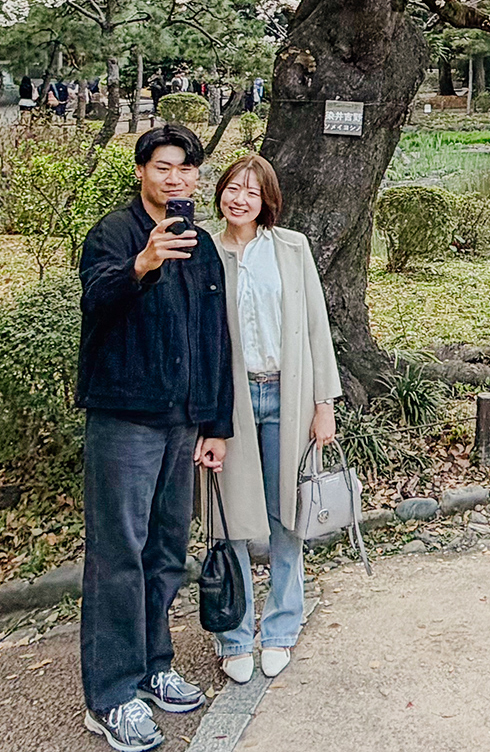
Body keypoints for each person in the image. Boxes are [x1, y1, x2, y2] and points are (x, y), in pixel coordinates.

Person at [76, 125, 234, 752]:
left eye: (187, 170)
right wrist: (141, 263)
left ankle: (152, 665)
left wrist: (216, 423)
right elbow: (96, 301)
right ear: (141, 170)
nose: (176, 180)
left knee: (166, 551)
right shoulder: (113, 234)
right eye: (164, 167)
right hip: (124, 417)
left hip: (184, 421)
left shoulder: (201, 246)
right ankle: (110, 695)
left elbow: (214, 338)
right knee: (118, 554)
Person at [207, 152, 341, 687]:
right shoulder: (203, 252)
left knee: (287, 516)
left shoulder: (291, 248)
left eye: (252, 191)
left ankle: (281, 628)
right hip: (229, 403)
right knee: (230, 522)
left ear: (267, 201)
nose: (240, 199)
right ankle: (234, 634)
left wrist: (323, 404)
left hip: (287, 394)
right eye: (232, 188)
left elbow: (316, 326)